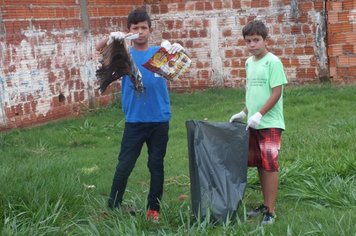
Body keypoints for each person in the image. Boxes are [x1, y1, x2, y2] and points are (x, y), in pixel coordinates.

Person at [96, 7, 186, 222]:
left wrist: (178, 50)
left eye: (144, 27)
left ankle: (153, 209)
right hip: (134, 120)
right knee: (124, 165)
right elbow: (98, 51)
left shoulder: (160, 53)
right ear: (129, 31)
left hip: (159, 119)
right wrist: (110, 39)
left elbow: (179, 67)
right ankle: (113, 206)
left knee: (156, 165)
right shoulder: (124, 54)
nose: (140, 31)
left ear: (150, 30)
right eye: (135, 28)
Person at [229, 20, 288, 225]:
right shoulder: (248, 62)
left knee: (270, 165)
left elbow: (276, 92)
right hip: (253, 123)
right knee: (261, 165)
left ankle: (271, 211)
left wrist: (260, 114)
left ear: (265, 40)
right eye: (248, 41)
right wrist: (244, 112)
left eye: (256, 40)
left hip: (270, 123)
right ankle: (265, 205)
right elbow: (252, 92)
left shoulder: (273, 62)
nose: (252, 45)